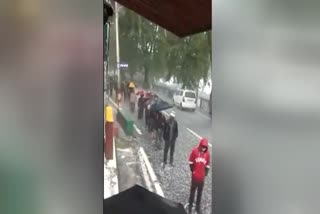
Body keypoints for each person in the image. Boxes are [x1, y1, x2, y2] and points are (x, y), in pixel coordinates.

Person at [187, 138, 210, 214]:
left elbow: (208, 165)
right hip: (195, 177)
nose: (203, 149)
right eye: (202, 147)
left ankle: (197, 206)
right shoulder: (194, 151)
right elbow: (190, 161)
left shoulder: (207, 154)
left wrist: (205, 173)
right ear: (200, 146)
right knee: (192, 192)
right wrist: (193, 170)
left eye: (205, 148)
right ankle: (190, 205)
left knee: (200, 193)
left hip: (202, 178)